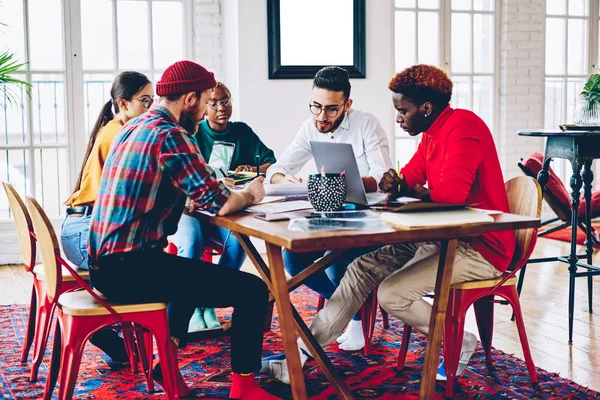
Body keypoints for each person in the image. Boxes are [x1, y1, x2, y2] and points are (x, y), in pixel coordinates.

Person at [261, 64, 515, 384]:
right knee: (359, 270)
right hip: (439, 237)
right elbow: (405, 179)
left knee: (391, 294)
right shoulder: (431, 135)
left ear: (426, 108)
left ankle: (461, 341)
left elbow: (451, 194)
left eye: (402, 111)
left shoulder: (464, 126)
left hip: (480, 246)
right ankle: (299, 355)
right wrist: (398, 183)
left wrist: (408, 188)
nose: (397, 118)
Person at [87, 60, 279, 400]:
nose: (207, 109)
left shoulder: (134, 126)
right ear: (190, 99)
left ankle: (169, 370)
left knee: (187, 277)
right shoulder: (172, 134)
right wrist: (251, 193)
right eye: (206, 100)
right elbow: (218, 201)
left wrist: (184, 198)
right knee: (253, 290)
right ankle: (244, 388)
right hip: (130, 269)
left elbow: (165, 187)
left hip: (103, 265)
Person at [265, 66, 393, 351]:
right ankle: (351, 309)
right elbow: (277, 168)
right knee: (293, 260)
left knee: (338, 266)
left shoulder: (367, 124)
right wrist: (283, 178)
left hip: (366, 217)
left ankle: (355, 320)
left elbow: (385, 177)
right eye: (316, 107)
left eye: (331, 109)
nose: (322, 116)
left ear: (347, 104)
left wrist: (348, 183)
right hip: (328, 215)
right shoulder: (309, 127)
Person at [60, 71, 154, 363]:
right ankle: (104, 328)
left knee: (145, 266)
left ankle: (123, 334)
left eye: (153, 101)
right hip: (84, 231)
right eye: (144, 101)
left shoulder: (115, 127)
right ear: (123, 104)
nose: (150, 108)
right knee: (143, 274)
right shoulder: (120, 133)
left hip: (80, 226)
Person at [169, 81, 276, 332]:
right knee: (192, 243)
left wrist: (252, 170)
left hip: (225, 207)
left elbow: (272, 163)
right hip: (191, 209)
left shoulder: (242, 131)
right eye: (213, 102)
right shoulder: (193, 133)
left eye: (225, 100)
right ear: (203, 107)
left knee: (240, 241)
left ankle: (208, 299)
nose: (221, 107)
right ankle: (192, 305)